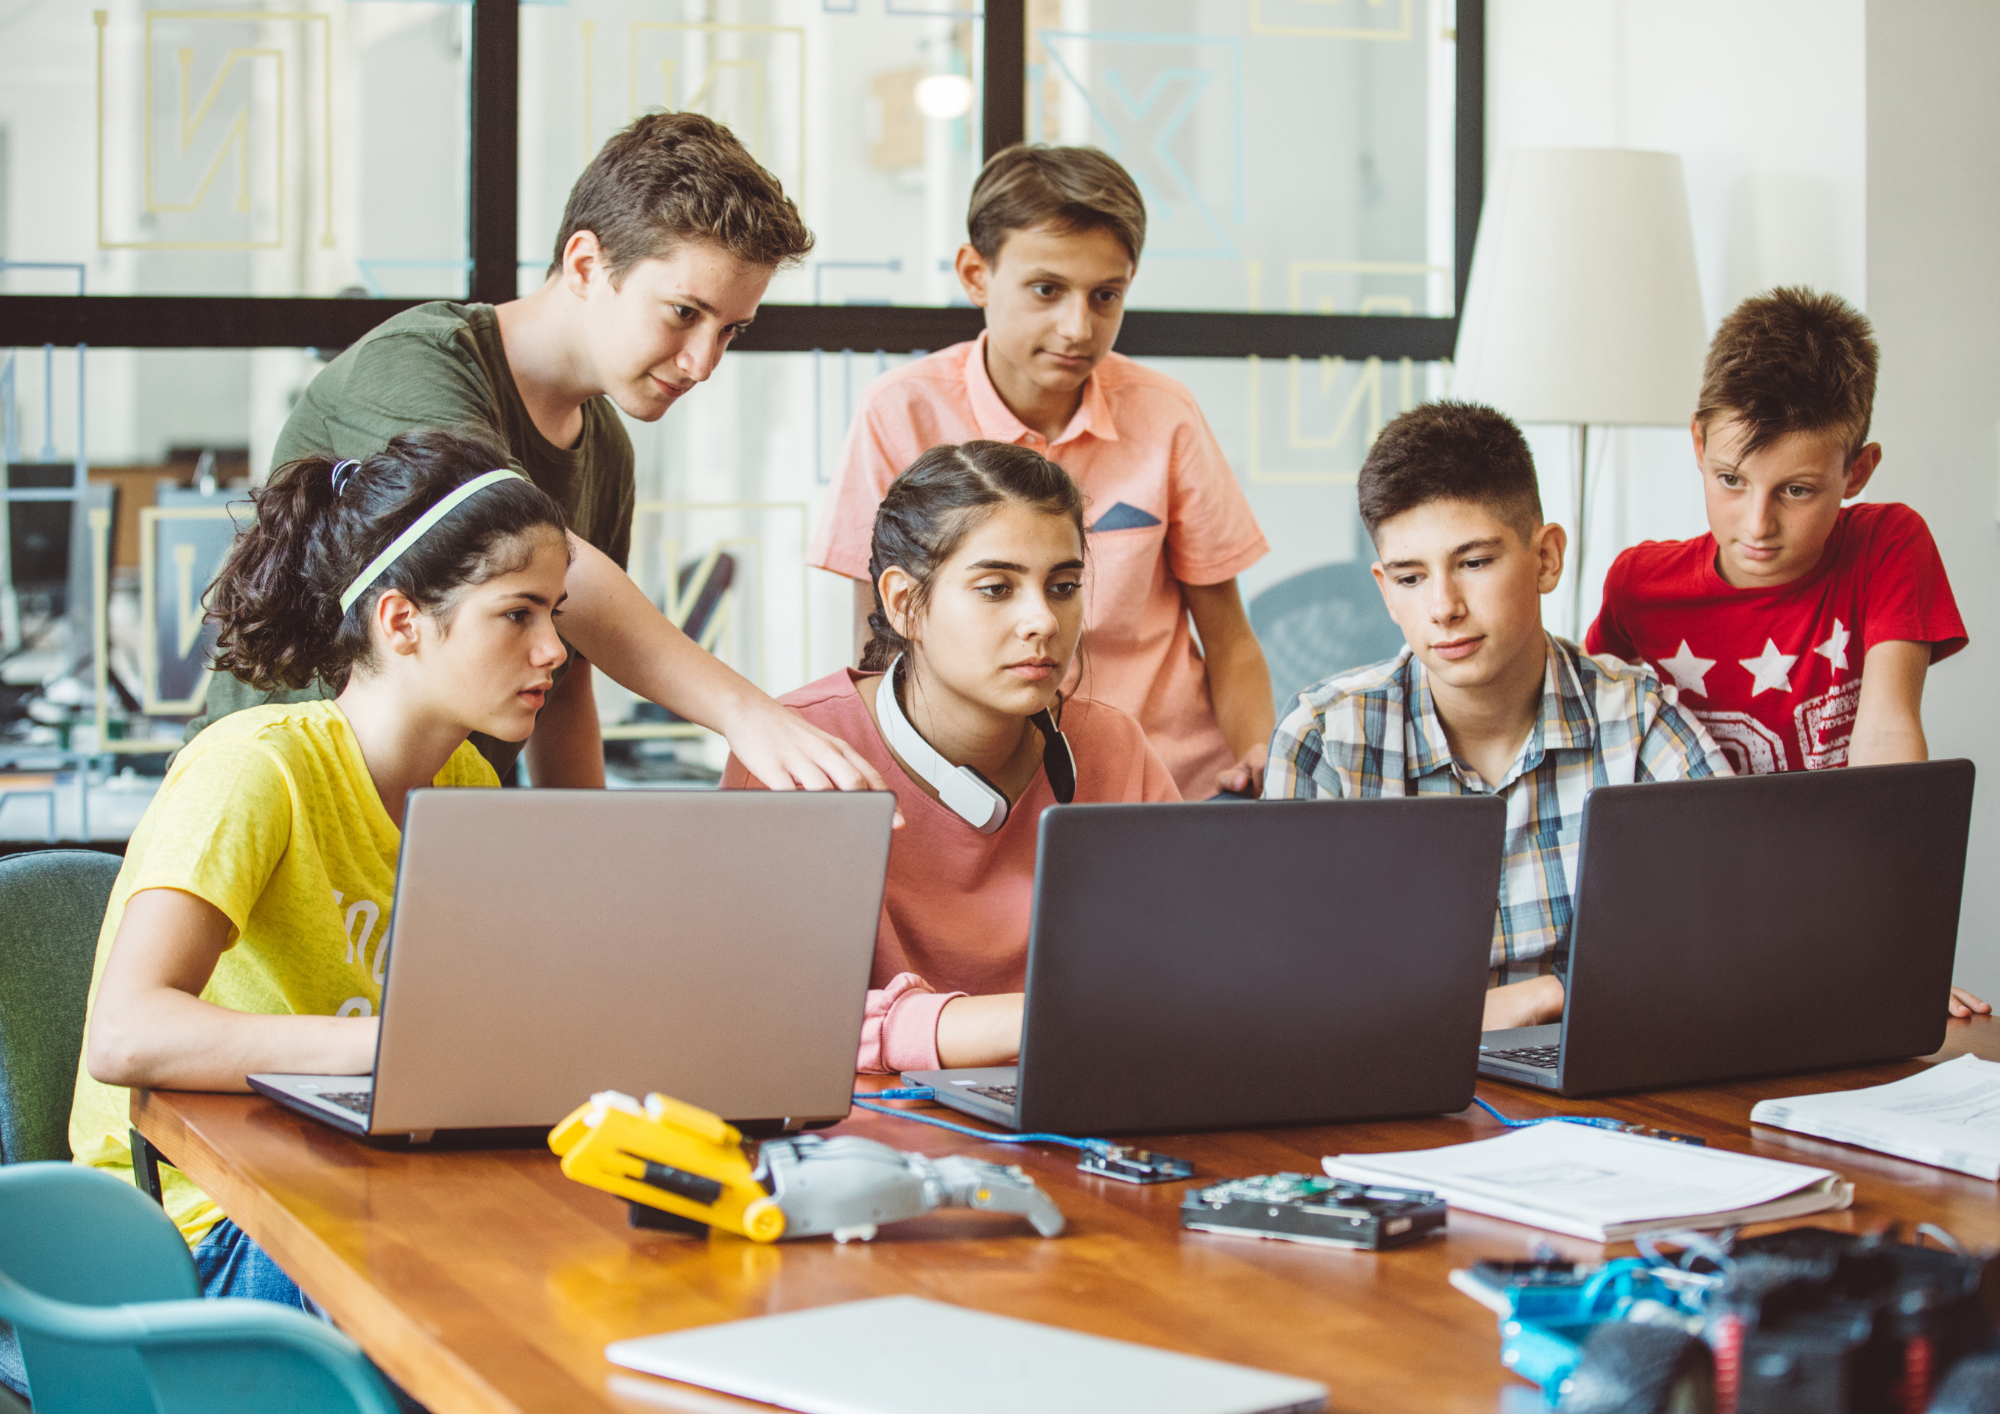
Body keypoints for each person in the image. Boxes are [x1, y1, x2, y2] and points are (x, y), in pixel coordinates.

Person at [187, 111, 883, 797]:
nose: (703, 363)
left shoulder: (606, 447)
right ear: (585, 263)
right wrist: (745, 712)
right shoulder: (416, 366)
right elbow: (530, 555)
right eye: (683, 313)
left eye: (730, 331)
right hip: (286, 807)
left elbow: (566, 671)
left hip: (440, 826)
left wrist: (586, 870)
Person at [71, 427, 567, 1302]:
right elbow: (125, 1034)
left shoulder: (464, 783)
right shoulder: (257, 767)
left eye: (554, 615)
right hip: (193, 1227)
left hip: (347, 1177)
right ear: (402, 619)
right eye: (517, 613)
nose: (553, 650)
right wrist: (385, 1051)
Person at [807, 143, 1274, 801]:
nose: (1077, 327)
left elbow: (1230, 640)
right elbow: (881, 642)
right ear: (975, 274)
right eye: (1046, 290)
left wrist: (1261, 757)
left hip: (1166, 785)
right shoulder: (900, 412)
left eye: (1105, 295)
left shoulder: (1166, 414)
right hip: (980, 788)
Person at [1263, 401, 1730, 1031]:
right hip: (1392, 1099)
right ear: (1383, 589)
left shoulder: (1639, 720)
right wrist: (1511, 1006)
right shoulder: (1323, 739)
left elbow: (1729, 947)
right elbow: (1289, 996)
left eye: (1475, 563)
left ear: (1546, 559)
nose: (1443, 607)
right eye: (1409, 577)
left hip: (1600, 1091)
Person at [727, 441, 1179, 1072]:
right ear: (904, 603)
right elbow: (760, 1014)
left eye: (1065, 586)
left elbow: (1191, 972)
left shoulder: (1113, 748)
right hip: (864, 1138)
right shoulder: (796, 753)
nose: (1042, 621)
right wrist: (1021, 1021)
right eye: (996, 588)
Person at [1587, 287, 1967, 776]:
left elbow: (1886, 735)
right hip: (1691, 851)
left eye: (1797, 491)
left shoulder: (1887, 544)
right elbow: (1586, 720)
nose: (1757, 525)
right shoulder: (1637, 585)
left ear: (1857, 471)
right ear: (1699, 444)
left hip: (1842, 848)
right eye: (1731, 480)